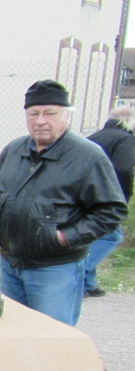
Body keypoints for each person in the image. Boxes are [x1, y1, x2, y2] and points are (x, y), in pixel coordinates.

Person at [0, 80, 126, 371]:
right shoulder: (15, 149)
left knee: (55, 334)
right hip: (12, 258)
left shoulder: (87, 156)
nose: (41, 120)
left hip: (55, 264)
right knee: (15, 328)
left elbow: (110, 210)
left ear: (65, 115)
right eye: (34, 113)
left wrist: (64, 238)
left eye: (50, 113)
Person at [83, 106, 134, 297]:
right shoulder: (126, 138)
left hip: (85, 193)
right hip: (107, 196)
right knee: (111, 236)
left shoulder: (94, 137)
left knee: (92, 235)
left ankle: (88, 283)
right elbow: (124, 168)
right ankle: (80, 274)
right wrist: (124, 195)